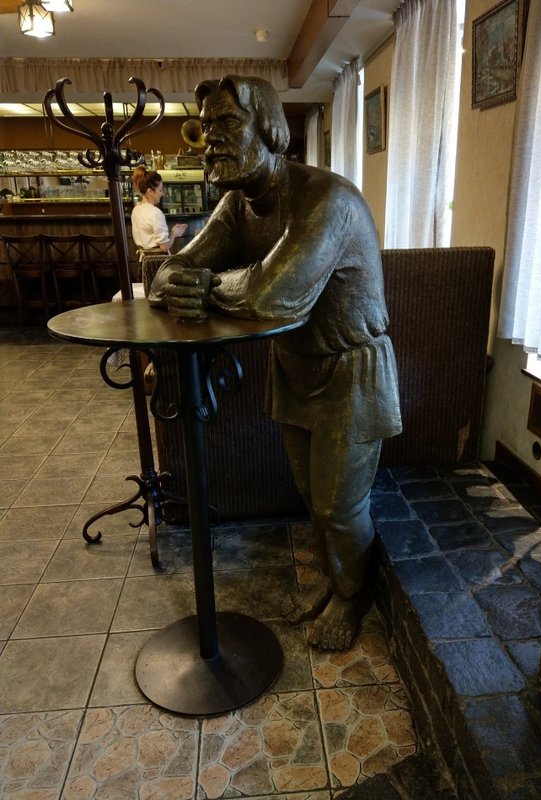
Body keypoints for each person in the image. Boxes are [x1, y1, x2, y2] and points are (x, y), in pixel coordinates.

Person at [148, 75, 402, 651]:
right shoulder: (238, 205)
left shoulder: (326, 201)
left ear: (271, 131)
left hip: (351, 369)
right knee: (310, 495)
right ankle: (336, 581)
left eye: (228, 123)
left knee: (340, 505)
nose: (211, 139)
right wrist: (193, 283)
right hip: (293, 365)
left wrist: (207, 287)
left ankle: (352, 596)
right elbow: (168, 274)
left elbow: (273, 296)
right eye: (206, 127)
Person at [131, 165, 188, 255]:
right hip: (157, 261)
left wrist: (172, 232)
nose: (162, 194)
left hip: (143, 259)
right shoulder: (155, 213)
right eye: (160, 190)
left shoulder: (136, 210)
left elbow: (151, 240)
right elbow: (164, 247)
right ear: (150, 191)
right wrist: (174, 233)